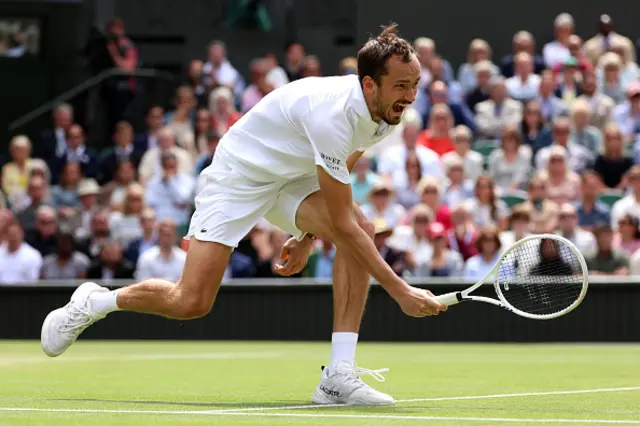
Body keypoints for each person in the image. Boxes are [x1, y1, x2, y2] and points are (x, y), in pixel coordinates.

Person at [41, 24, 447, 406]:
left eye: (414, 85)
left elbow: (345, 168)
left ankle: (337, 375)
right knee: (191, 301)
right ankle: (96, 301)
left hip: (292, 175)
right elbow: (338, 217)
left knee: (358, 227)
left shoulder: (387, 111)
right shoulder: (333, 115)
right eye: (401, 85)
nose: (410, 96)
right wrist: (401, 291)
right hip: (239, 175)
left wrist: (305, 234)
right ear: (370, 84)